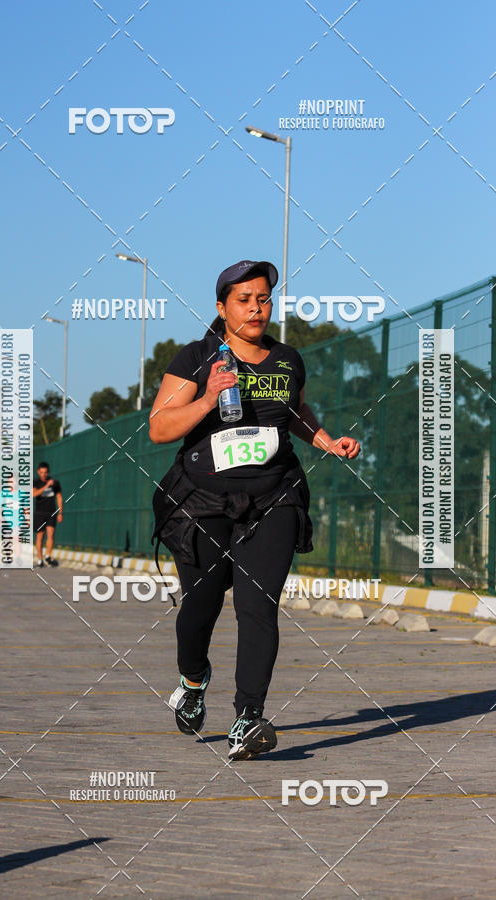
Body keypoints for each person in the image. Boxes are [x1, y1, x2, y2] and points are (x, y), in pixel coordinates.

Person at [150, 259, 360, 760]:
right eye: (244, 300)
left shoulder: (287, 359)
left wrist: (326, 441)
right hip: (203, 501)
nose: (255, 309)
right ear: (222, 307)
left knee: (258, 605)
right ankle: (194, 681)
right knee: (200, 604)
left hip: (273, 495)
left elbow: (296, 413)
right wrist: (207, 400)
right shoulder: (196, 358)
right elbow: (159, 427)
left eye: (263, 298)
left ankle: (248, 717)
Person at [32, 462, 63, 567]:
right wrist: (46, 486)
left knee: (51, 535)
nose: (43, 475)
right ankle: (40, 559)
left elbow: (59, 497)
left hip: (51, 512)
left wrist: (60, 512)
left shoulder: (55, 483)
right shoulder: (35, 482)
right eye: (41, 472)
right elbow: (34, 494)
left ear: (48, 472)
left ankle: (48, 556)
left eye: (45, 472)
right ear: (38, 472)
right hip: (39, 513)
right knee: (40, 536)